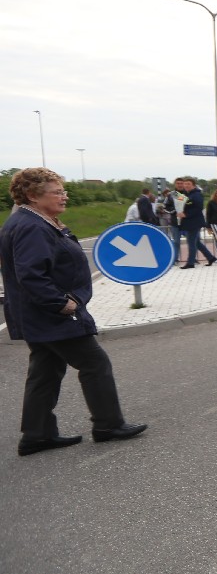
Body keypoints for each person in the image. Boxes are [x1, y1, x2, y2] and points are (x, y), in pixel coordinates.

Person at [0, 168, 147, 456]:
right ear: (32, 195)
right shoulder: (32, 226)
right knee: (95, 364)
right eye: (57, 192)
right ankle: (108, 425)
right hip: (51, 315)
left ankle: (37, 435)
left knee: (45, 370)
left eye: (63, 191)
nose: (64, 196)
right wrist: (60, 303)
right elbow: (31, 274)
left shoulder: (32, 221)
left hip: (37, 314)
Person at [177, 176, 217, 269]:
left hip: (194, 222)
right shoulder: (186, 194)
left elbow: (198, 208)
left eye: (188, 184)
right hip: (189, 222)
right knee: (197, 242)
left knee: (191, 242)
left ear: (194, 185)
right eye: (185, 184)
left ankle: (190, 263)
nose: (186, 185)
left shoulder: (196, 195)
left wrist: (186, 214)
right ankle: (210, 258)